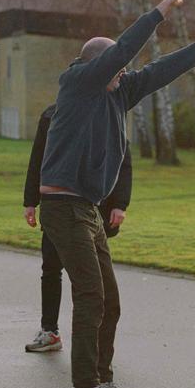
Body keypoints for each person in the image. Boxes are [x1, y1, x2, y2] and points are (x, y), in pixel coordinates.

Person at [39, 0, 195, 388]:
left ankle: (103, 379)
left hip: (88, 209)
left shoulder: (117, 92)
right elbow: (129, 48)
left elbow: (158, 71)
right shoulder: (79, 83)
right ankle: (82, 386)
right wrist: (161, 10)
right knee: (90, 295)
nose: (125, 74)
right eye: (117, 68)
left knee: (109, 301)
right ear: (101, 66)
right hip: (62, 205)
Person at [22, 103, 131, 353]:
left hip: (93, 205)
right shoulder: (51, 116)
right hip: (57, 205)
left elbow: (123, 160)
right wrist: (30, 201)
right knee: (51, 267)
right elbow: (38, 157)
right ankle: (50, 331)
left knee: (88, 279)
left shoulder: (107, 112)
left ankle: (96, 347)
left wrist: (120, 204)